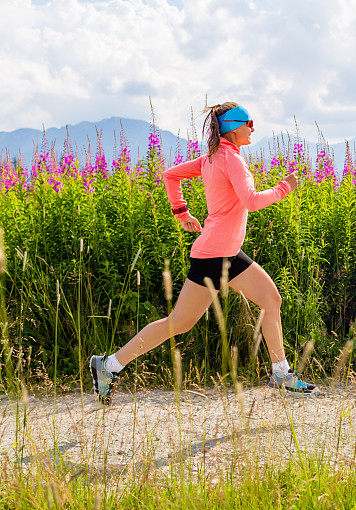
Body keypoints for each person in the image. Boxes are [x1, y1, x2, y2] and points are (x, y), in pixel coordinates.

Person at [89, 102, 316, 405]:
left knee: (271, 299)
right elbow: (250, 201)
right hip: (213, 256)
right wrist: (283, 188)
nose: (253, 128)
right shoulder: (229, 159)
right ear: (233, 125)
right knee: (179, 322)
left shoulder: (215, 157)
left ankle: (280, 372)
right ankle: (109, 365)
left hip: (229, 253)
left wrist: (182, 212)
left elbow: (170, 175)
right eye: (249, 122)